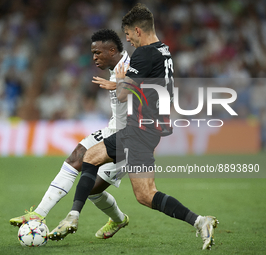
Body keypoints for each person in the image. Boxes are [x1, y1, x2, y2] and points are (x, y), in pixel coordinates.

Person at [50, 3, 219, 250]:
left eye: (128, 34)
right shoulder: (164, 51)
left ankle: (72, 216)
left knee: (89, 156)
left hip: (137, 129)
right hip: (151, 130)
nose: (127, 40)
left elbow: (122, 95)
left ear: (138, 30)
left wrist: (118, 82)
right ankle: (200, 221)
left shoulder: (144, 53)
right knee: (145, 194)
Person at [10, 29, 131, 240]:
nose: (94, 57)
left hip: (130, 139)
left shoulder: (131, 69)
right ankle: (38, 215)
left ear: (112, 50)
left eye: (98, 53)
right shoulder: (117, 68)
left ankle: (119, 219)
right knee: (75, 158)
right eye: (92, 53)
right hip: (112, 130)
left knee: (92, 190)